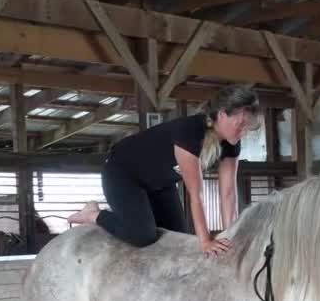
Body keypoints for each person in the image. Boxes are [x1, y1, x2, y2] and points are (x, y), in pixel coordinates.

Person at [67, 84, 260, 257]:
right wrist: (205, 241)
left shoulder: (232, 144)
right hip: (123, 172)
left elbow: (228, 195)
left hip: (160, 182)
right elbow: (196, 195)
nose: (243, 131)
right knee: (143, 235)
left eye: (247, 126)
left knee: (178, 237)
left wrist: (231, 237)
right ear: (222, 114)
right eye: (240, 124)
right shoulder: (190, 132)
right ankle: (93, 215)